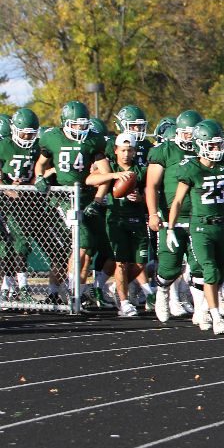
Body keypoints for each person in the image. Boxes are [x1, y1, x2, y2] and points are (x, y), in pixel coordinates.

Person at [34, 101, 110, 306]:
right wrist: (40, 178)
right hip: (63, 197)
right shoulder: (52, 138)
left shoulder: (93, 141)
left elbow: (106, 174)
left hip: (85, 195)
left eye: (83, 124)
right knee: (82, 243)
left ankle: (79, 291)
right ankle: (72, 290)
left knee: (88, 250)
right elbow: (40, 164)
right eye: (75, 124)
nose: (80, 128)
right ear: (65, 123)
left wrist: (97, 199)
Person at [168, 119, 224, 335]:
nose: (216, 149)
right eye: (211, 145)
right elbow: (177, 201)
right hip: (201, 227)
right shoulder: (191, 168)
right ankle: (215, 317)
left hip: (223, 226)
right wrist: (170, 227)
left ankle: (204, 309)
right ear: (199, 145)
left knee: (220, 273)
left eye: (218, 145)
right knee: (210, 271)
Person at [147, 109, 205, 324]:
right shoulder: (165, 151)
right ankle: (162, 292)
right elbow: (151, 186)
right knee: (170, 267)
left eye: (193, 132)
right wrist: (153, 213)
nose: (189, 137)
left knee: (199, 265)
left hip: (200, 217)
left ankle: (201, 309)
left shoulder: (206, 152)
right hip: (172, 218)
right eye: (186, 132)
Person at [87, 132, 149, 317]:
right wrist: (115, 175)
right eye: (123, 150)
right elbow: (90, 180)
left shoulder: (141, 169)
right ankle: (124, 302)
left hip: (137, 220)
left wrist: (141, 198)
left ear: (135, 151)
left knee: (140, 263)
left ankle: (116, 288)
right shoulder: (111, 167)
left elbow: (153, 192)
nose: (126, 154)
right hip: (116, 219)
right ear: (115, 150)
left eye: (130, 150)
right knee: (121, 263)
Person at [0, 109, 39, 303]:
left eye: (32, 133)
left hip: (26, 200)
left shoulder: (36, 146)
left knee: (20, 244)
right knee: (7, 245)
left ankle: (15, 287)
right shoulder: (4, 146)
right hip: (6, 200)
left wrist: (33, 182)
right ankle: (12, 286)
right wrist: (7, 188)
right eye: (24, 132)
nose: (28, 137)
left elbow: (41, 168)